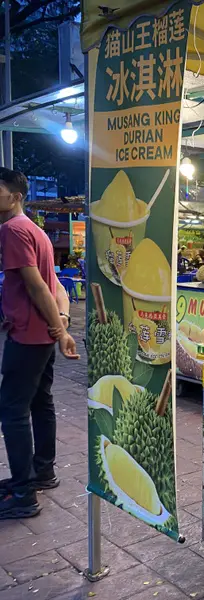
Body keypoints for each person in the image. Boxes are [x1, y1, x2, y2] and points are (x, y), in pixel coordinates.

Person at [0, 168, 79, 519]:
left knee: (13, 411)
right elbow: (57, 287)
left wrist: (61, 330)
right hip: (43, 334)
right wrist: (61, 322)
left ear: (15, 196)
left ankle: (22, 493)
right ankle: (41, 472)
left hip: (29, 335)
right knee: (41, 401)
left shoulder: (12, 230)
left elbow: (37, 286)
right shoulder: (35, 230)